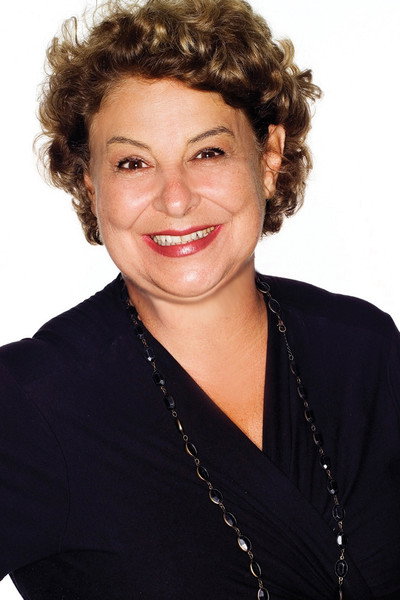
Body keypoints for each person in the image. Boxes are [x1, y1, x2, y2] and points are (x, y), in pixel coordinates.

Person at [0, 0, 399, 599]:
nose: (176, 198)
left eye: (208, 152)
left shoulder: (365, 350)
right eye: (132, 163)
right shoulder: (30, 403)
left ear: (268, 158)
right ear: (90, 183)